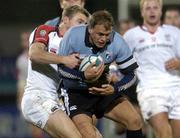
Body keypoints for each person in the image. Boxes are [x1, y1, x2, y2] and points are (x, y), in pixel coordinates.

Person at [58, 10, 143, 138]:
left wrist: (115, 88)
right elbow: (61, 70)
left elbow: (132, 74)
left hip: (103, 90)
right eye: (100, 34)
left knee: (135, 121)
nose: (104, 39)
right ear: (90, 28)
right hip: (77, 94)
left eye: (107, 34)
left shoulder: (117, 41)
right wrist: (83, 76)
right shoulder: (73, 36)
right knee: (90, 135)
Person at [21, 5, 90, 138]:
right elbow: (35, 54)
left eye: (86, 24)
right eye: (80, 22)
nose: (83, 27)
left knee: (91, 134)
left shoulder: (75, 48)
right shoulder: (46, 31)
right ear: (65, 20)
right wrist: (64, 59)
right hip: (37, 97)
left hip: (56, 100)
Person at [124, 0, 180, 138]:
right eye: (148, 8)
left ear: (161, 11)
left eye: (155, 7)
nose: (152, 11)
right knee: (164, 133)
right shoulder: (131, 35)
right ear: (142, 12)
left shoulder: (174, 32)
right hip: (150, 90)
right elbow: (118, 59)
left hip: (175, 88)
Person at [16, 31, 45, 138]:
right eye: (23, 40)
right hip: (30, 97)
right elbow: (21, 81)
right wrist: (19, 98)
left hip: (44, 95)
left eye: (26, 39)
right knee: (35, 132)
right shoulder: (21, 60)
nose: (24, 42)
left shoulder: (40, 55)